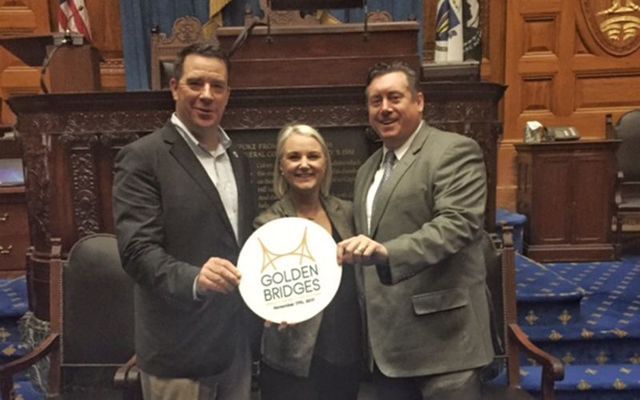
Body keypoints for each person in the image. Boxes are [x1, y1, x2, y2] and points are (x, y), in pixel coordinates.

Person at [337, 61, 493, 400]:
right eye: (375, 101)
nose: (385, 109)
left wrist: (387, 252)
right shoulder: (367, 170)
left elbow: (458, 225)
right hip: (388, 350)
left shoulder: (453, 150)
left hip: (445, 346)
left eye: (395, 97)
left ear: (419, 101)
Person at [113, 43, 258, 400]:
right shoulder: (142, 158)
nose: (207, 96)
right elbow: (136, 251)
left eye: (217, 86)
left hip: (233, 348)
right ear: (175, 87)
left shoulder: (238, 159)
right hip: (178, 353)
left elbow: (244, 244)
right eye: (196, 84)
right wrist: (194, 278)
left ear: (228, 94)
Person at [255, 124, 363, 400]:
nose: (304, 164)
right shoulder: (267, 223)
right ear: (281, 166)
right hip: (293, 361)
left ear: (325, 163)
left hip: (348, 354)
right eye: (294, 157)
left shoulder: (349, 213)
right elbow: (260, 289)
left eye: (313, 156)